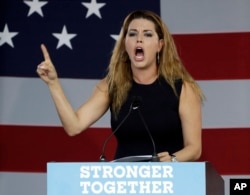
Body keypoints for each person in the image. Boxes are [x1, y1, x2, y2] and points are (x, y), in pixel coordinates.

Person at [37, 10, 204, 162]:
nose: (139, 39)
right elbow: (74, 126)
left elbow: (194, 148)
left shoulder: (182, 89)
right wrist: (53, 84)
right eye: (132, 34)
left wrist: (172, 160)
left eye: (147, 34)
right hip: (123, 182)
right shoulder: (112, 86)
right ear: (125, 44)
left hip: (168, 182)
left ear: (159, 45)